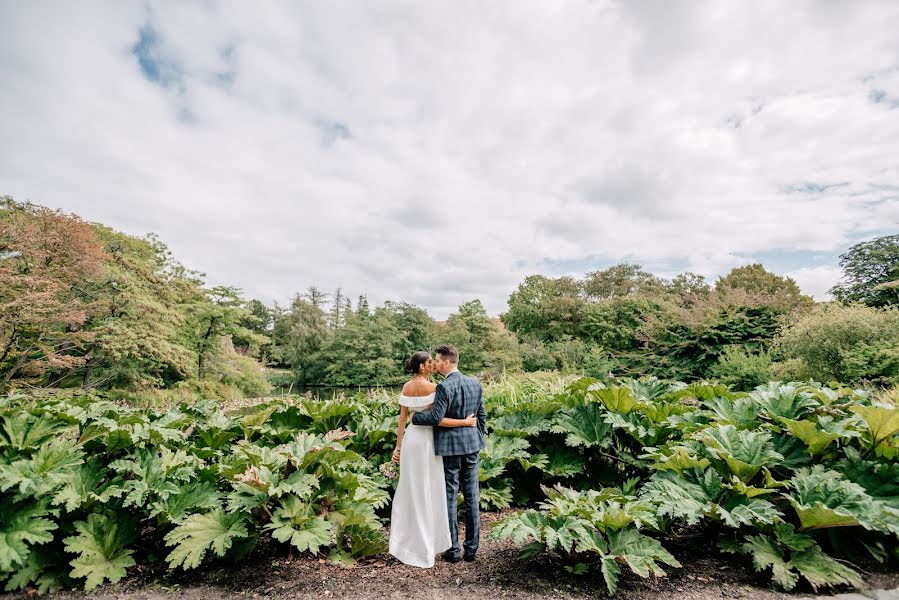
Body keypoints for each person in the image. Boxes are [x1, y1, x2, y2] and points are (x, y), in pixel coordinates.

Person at [388, 350, 477, 568]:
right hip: (429, 442)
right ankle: (437, 542)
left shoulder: (406, 387)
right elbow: (438, 419)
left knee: (411, 490)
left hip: (411, 441)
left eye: (434, 361)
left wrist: (398, 447)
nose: (433, 364)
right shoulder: (437, 388)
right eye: (430, 362)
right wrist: (465, 424)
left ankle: (407, 542)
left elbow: (402, 420)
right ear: (422, 366)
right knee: (432, 490)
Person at [411, 344, 486, 563]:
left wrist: (415, 418)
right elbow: (482, 415)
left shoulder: (444, 387)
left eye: (437, 359)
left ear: (446, 362)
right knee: (472, 495)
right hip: (472, 446)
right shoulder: (475, 383)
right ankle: (471, 549)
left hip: (451, 448)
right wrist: (476, 436)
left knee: (450, 496)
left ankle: (453, 550)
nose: (434, 363)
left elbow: (435, 418)